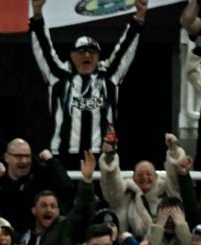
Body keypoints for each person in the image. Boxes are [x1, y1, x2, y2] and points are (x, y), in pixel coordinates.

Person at [29, 0, 146, 162]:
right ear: (72, 55)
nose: (87, 55)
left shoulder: (109, 74)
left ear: (98, 56)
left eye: (92, 52)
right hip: (63, 155)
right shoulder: (58, 74)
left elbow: (125, 49)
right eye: (82, 51)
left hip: (102, 155)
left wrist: (139, 16)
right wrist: (37, 13)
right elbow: (43, 47)